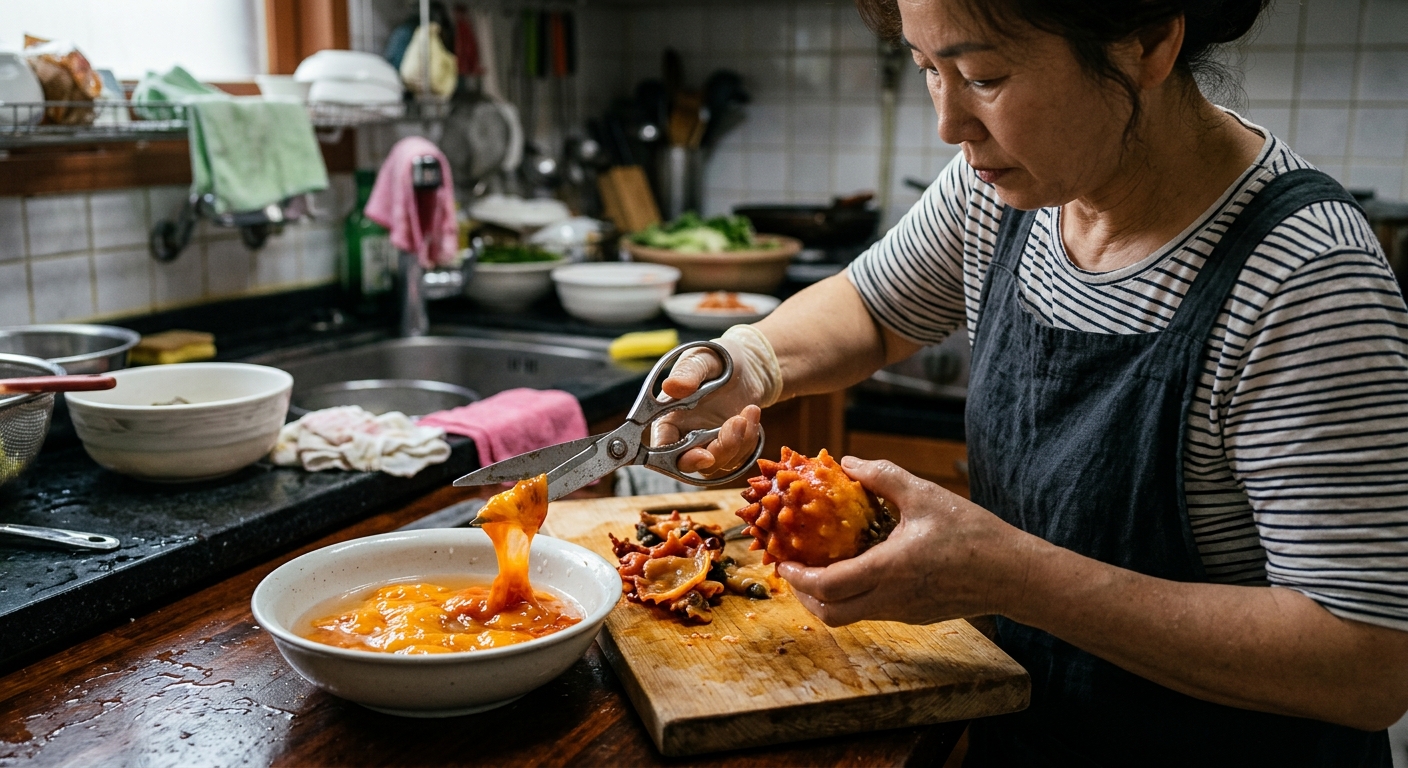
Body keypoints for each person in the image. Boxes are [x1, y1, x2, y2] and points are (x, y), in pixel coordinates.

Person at [651, 0, 1408, 764]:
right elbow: (872, 310)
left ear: (1147, 42)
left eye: (984, 76)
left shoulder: (1308, 280)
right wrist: (747, 363)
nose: (949, 124)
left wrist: (1012, 578)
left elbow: (1367, 664)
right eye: (928, 69)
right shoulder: (1004, 189)